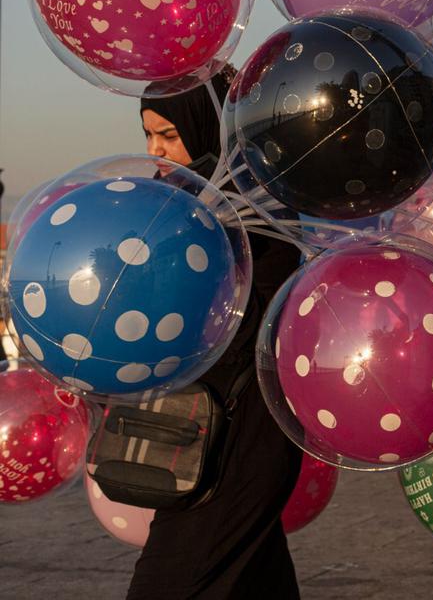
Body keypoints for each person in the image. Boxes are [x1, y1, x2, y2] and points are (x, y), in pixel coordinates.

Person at [129, 72, 304, 598]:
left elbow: (238, 331)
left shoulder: (254, 208)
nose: (154, 151)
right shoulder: (184, 205)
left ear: (209, 130)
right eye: (148, 136)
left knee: (171, 580)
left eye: (168, 135)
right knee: (251, 574)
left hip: (238, 431)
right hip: (205, 427)